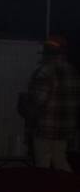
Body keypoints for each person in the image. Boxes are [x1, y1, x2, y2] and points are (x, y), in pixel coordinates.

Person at [26, 35, 80, 171]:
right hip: (65, 128)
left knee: (42, 164)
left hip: (45, 127)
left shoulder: (45, 71)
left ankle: (43, 191)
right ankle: (70, 189)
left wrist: (30, 116)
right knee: (60, 161)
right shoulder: (73, 72)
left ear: (47, 54)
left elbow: (39, 100)